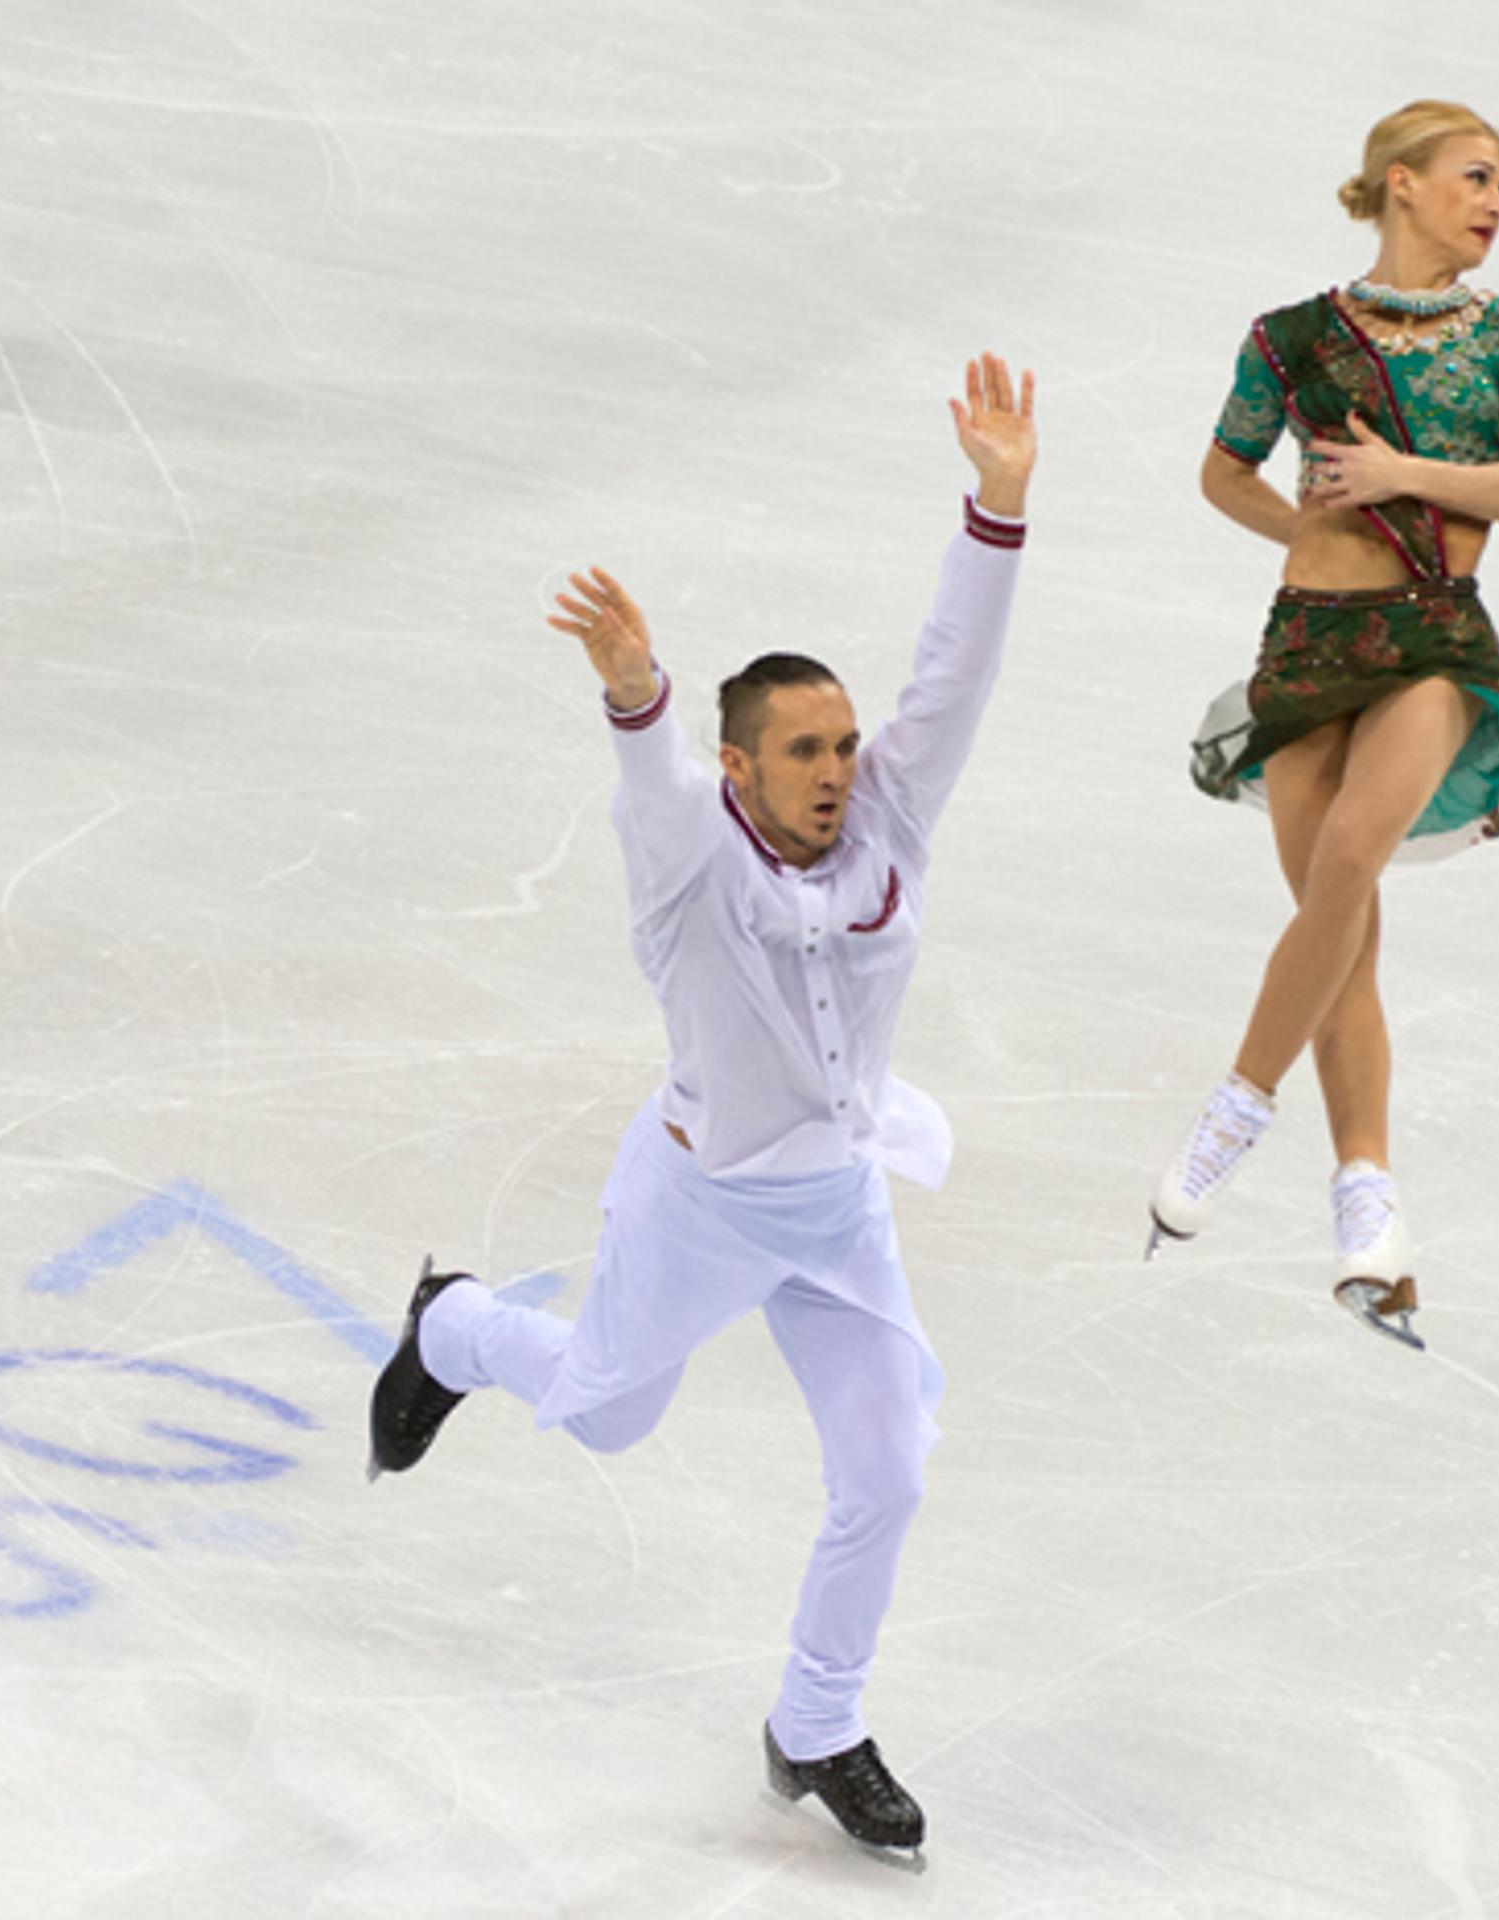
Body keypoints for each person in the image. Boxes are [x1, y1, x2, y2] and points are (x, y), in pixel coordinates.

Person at [366, 354, 1037, 1864]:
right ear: (739, 765)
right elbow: (649, 776)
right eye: (802, 750)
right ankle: (457, 1326)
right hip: (701, 1201)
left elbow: (953, 679)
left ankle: (817, 1726)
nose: (835, 771)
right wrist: (630, 692)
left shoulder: (889, 828)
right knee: (608, 1413)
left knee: (889, 1467)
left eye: (843, 745)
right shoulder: (688, 862)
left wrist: (996, 509)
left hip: (840, 1207)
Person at [1151, 102, 1499, 1351]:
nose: (1497, 201)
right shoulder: (1289, 339)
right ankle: (1366, 1209)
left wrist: (1401, 483)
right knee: (1345, 942)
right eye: (1477, 177)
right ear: (1402, 185)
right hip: (1305, 645)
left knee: (1345, 865)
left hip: (1432, 644)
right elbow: (1224, 469)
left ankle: (1236, 1106)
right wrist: (1318, 537)